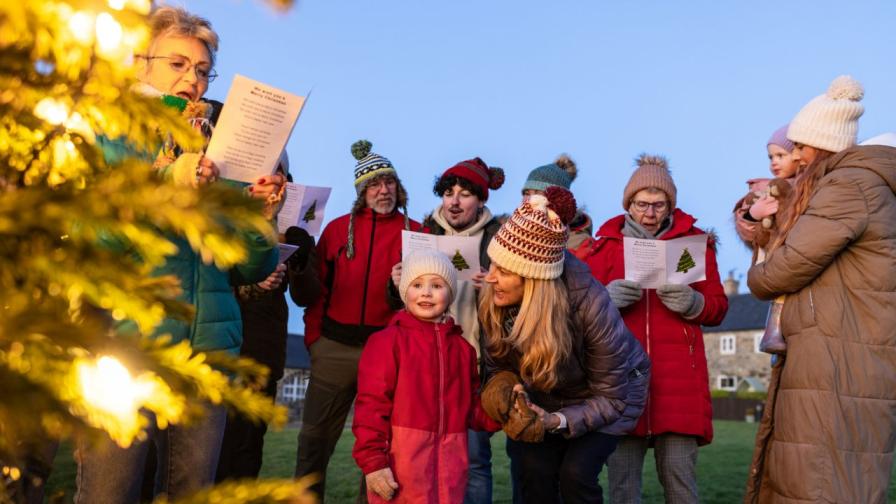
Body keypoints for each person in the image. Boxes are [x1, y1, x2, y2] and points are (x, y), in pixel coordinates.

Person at [76, 6, 281, 502]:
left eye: (204, 70)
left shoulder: (219, 146)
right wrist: (166, 187)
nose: (194, 78)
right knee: (109, 492)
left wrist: (259, 217)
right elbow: (94, 240)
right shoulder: (107, 134)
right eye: (178, 64)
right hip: (126, 346)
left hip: (209, 350)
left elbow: (249, 267)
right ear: (140, 62)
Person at [745, 75, 896, 503]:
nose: (793, 157)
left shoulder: (849, 187)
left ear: (821, 145)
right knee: (840, 474)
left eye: (800, 147)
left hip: (835, 359)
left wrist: (759, 275)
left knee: (818, 480)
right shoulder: (867, 185)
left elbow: (788, 266)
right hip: (847, 353)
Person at [479, 188, 650, 504]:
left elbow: (611, 398)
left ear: (533, 279)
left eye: (503, 271)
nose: (490, 279)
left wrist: (555, 421)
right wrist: (508, 390)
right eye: (493, 265)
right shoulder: (496, 300)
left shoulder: (591, 305)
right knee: (532, 469)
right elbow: (498, 365)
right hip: (546, 395)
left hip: (610, 396)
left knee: (576, 475)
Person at [586, 154, 728, 504]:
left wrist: (694, 304)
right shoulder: (604, 247)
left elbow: (718, 307)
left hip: (679, 385)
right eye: (641, 204)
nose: (649, 214)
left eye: (659, 205)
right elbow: (577, 313)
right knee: (622, 490)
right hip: (621, 382)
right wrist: (605, 299)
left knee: (681, 488)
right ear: (628, 204)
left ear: (671, 205)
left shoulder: (695, 245)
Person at [296, 140, 422, 499]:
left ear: (399, 187)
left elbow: (426, 296)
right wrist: (315, 340)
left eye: (389, 183)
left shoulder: (418, 234)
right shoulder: (337, 230)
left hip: (387, 353)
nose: (383, 190)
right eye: (373, 184)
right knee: (313, 442)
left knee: (383, 449)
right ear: (361, 192)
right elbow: (317, 290)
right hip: (334, 348)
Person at [353, 250, 500, 503]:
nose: (426, 292)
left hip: (451, 469)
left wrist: (501, 411)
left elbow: (471, 407)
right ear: (404, 291)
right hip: (402, 469)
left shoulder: (463, 350)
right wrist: (373, 463)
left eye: (437, 285)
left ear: (450, 293)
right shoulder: (387, 342)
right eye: (417, 284)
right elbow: (371, 406)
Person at [412, 157, 504, 503]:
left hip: (476, 362)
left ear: (481, 200)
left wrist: (495, 290)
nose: (454, 201)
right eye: (448, 193)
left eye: (464, 194)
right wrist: (397, 283)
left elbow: (519, 302)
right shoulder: (424, 233)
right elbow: (404, 297)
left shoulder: (498, 238)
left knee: (476, 458)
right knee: (423, 453)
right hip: (427, 361)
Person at [733, 125, 799, 250]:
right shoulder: (762, 187)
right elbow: (746, 232)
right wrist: (752, 215)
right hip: (768, 256)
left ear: (798, 155)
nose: (774, 162)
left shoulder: (806, 184)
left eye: (780, 155)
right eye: (771, 157)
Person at [521, 154, 595, 259]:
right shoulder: (512, 235)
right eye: (527, 193)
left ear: (558, 200)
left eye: (538, 193)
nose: (530, 200)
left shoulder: (581, 246)